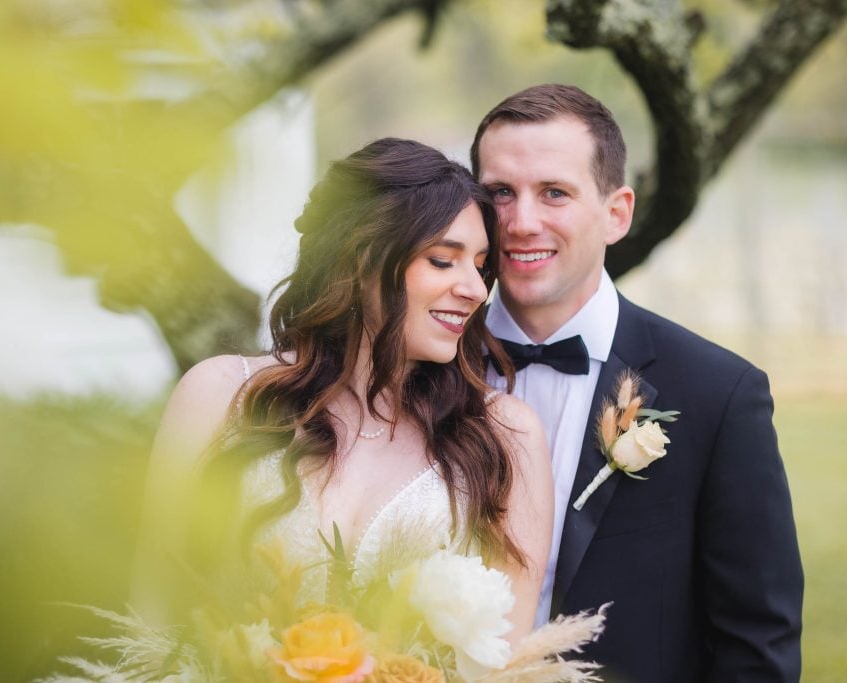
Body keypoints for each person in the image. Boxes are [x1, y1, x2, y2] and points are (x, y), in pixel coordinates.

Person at [140, 138, 554, 652]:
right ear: (360, 260)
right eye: (443, 261)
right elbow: (150, 619)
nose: (474, 288)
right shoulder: (219, 396)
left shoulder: (505, 436)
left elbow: (507, 660)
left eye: (480, 265)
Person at [472, 83, 804, 682]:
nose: (521, 222)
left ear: (617, 213)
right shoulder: (417, 367)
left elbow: (758, 644)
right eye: (499, 192)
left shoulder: (717, 394)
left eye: (554, 193)